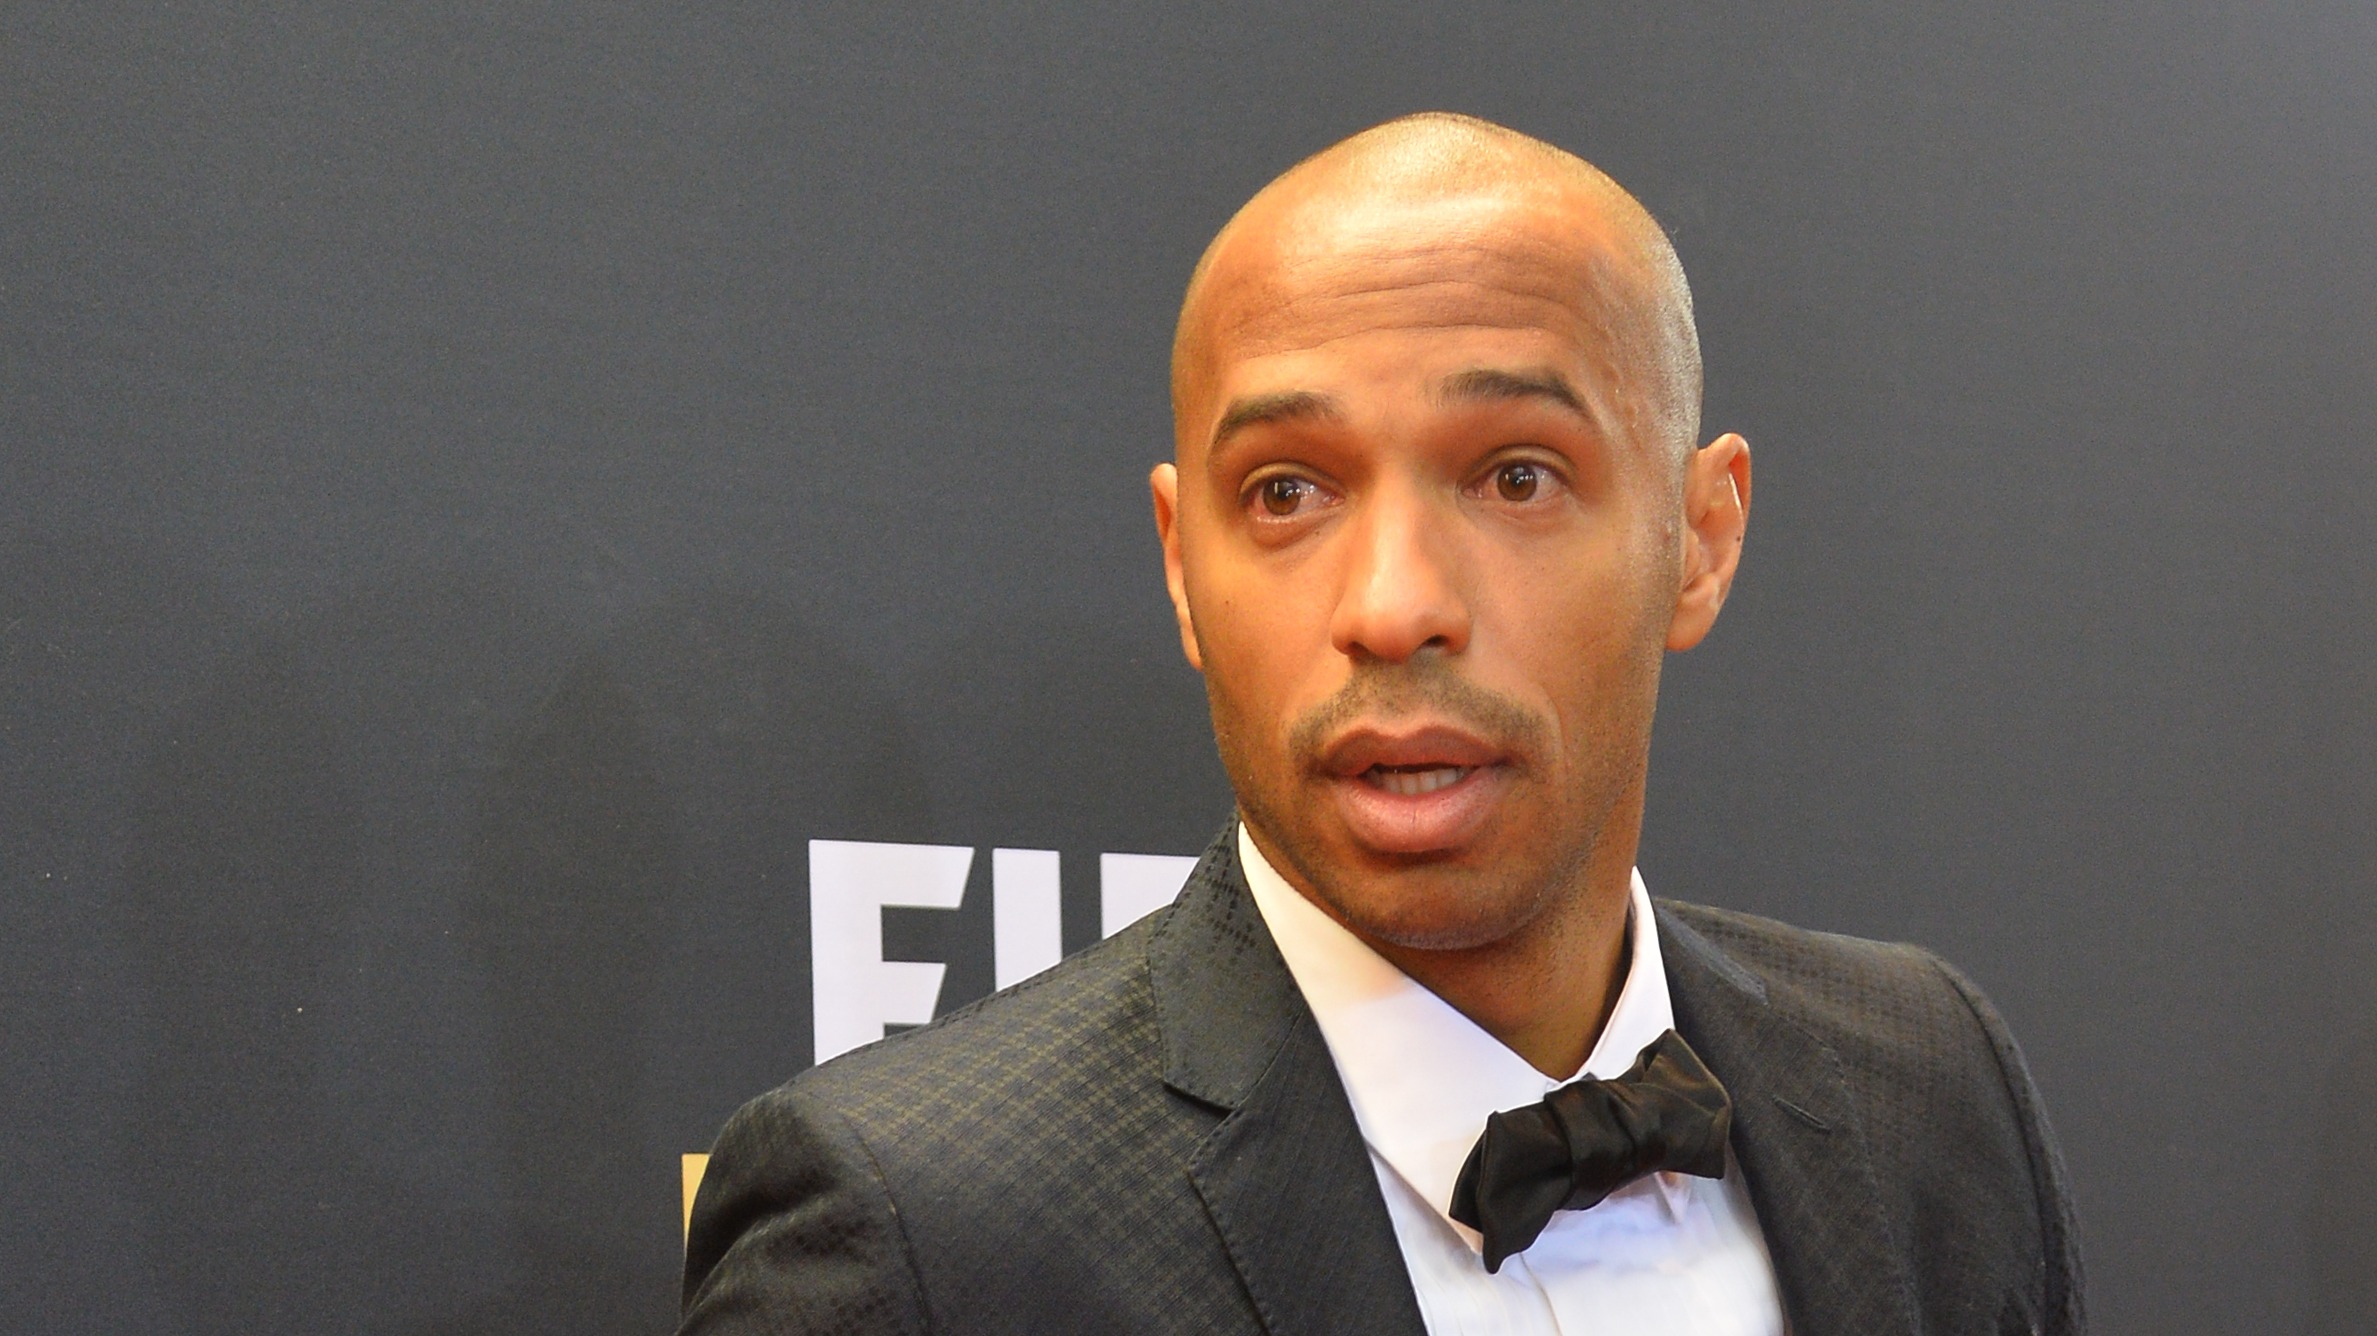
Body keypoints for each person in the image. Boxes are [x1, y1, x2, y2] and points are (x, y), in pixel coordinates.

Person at [680, 112, 2083, 1335]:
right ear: (1181, 566)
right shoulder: (916, 1233)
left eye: (1516, 476)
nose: (1394, 605)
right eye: (1286, 492)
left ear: (1699, 539)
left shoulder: (1925, 1085)